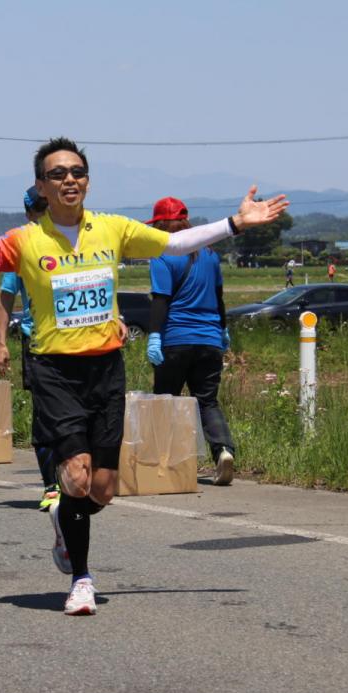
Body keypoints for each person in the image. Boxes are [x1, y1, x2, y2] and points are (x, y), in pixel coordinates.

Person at [0, 137, 287, 615]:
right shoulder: (23, 240)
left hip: (106, 368)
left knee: (102, 488)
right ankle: (81, 578)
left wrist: (234, 223)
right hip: (54, 370)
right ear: (42, 185)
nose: (69, 180)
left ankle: (63, 514)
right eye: (57, 173)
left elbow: (175, 241)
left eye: (77, 172)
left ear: (87, 180)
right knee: (77, 476)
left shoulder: (113, 230)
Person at [144, 197, 237, 486]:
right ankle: (223, 451)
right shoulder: (209, 253)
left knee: (165, 402)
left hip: (176, 339)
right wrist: (222, 330)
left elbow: (161, 300)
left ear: (160, 225)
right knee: (207, 401)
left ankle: (165, 462)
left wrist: (155, 336)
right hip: (209, 340)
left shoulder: (162, 254)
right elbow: (219, 298)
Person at [0, 187, 58, 510]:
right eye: (39, 208)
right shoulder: (19, 247)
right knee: (45, 416)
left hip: (77, 343)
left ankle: (75, 477)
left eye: (47, 207)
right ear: (28, 212)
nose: (44, 213)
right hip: (39, 343)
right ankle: (51, 486)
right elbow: (6, 296)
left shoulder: (70, 238)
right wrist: (1, 342)